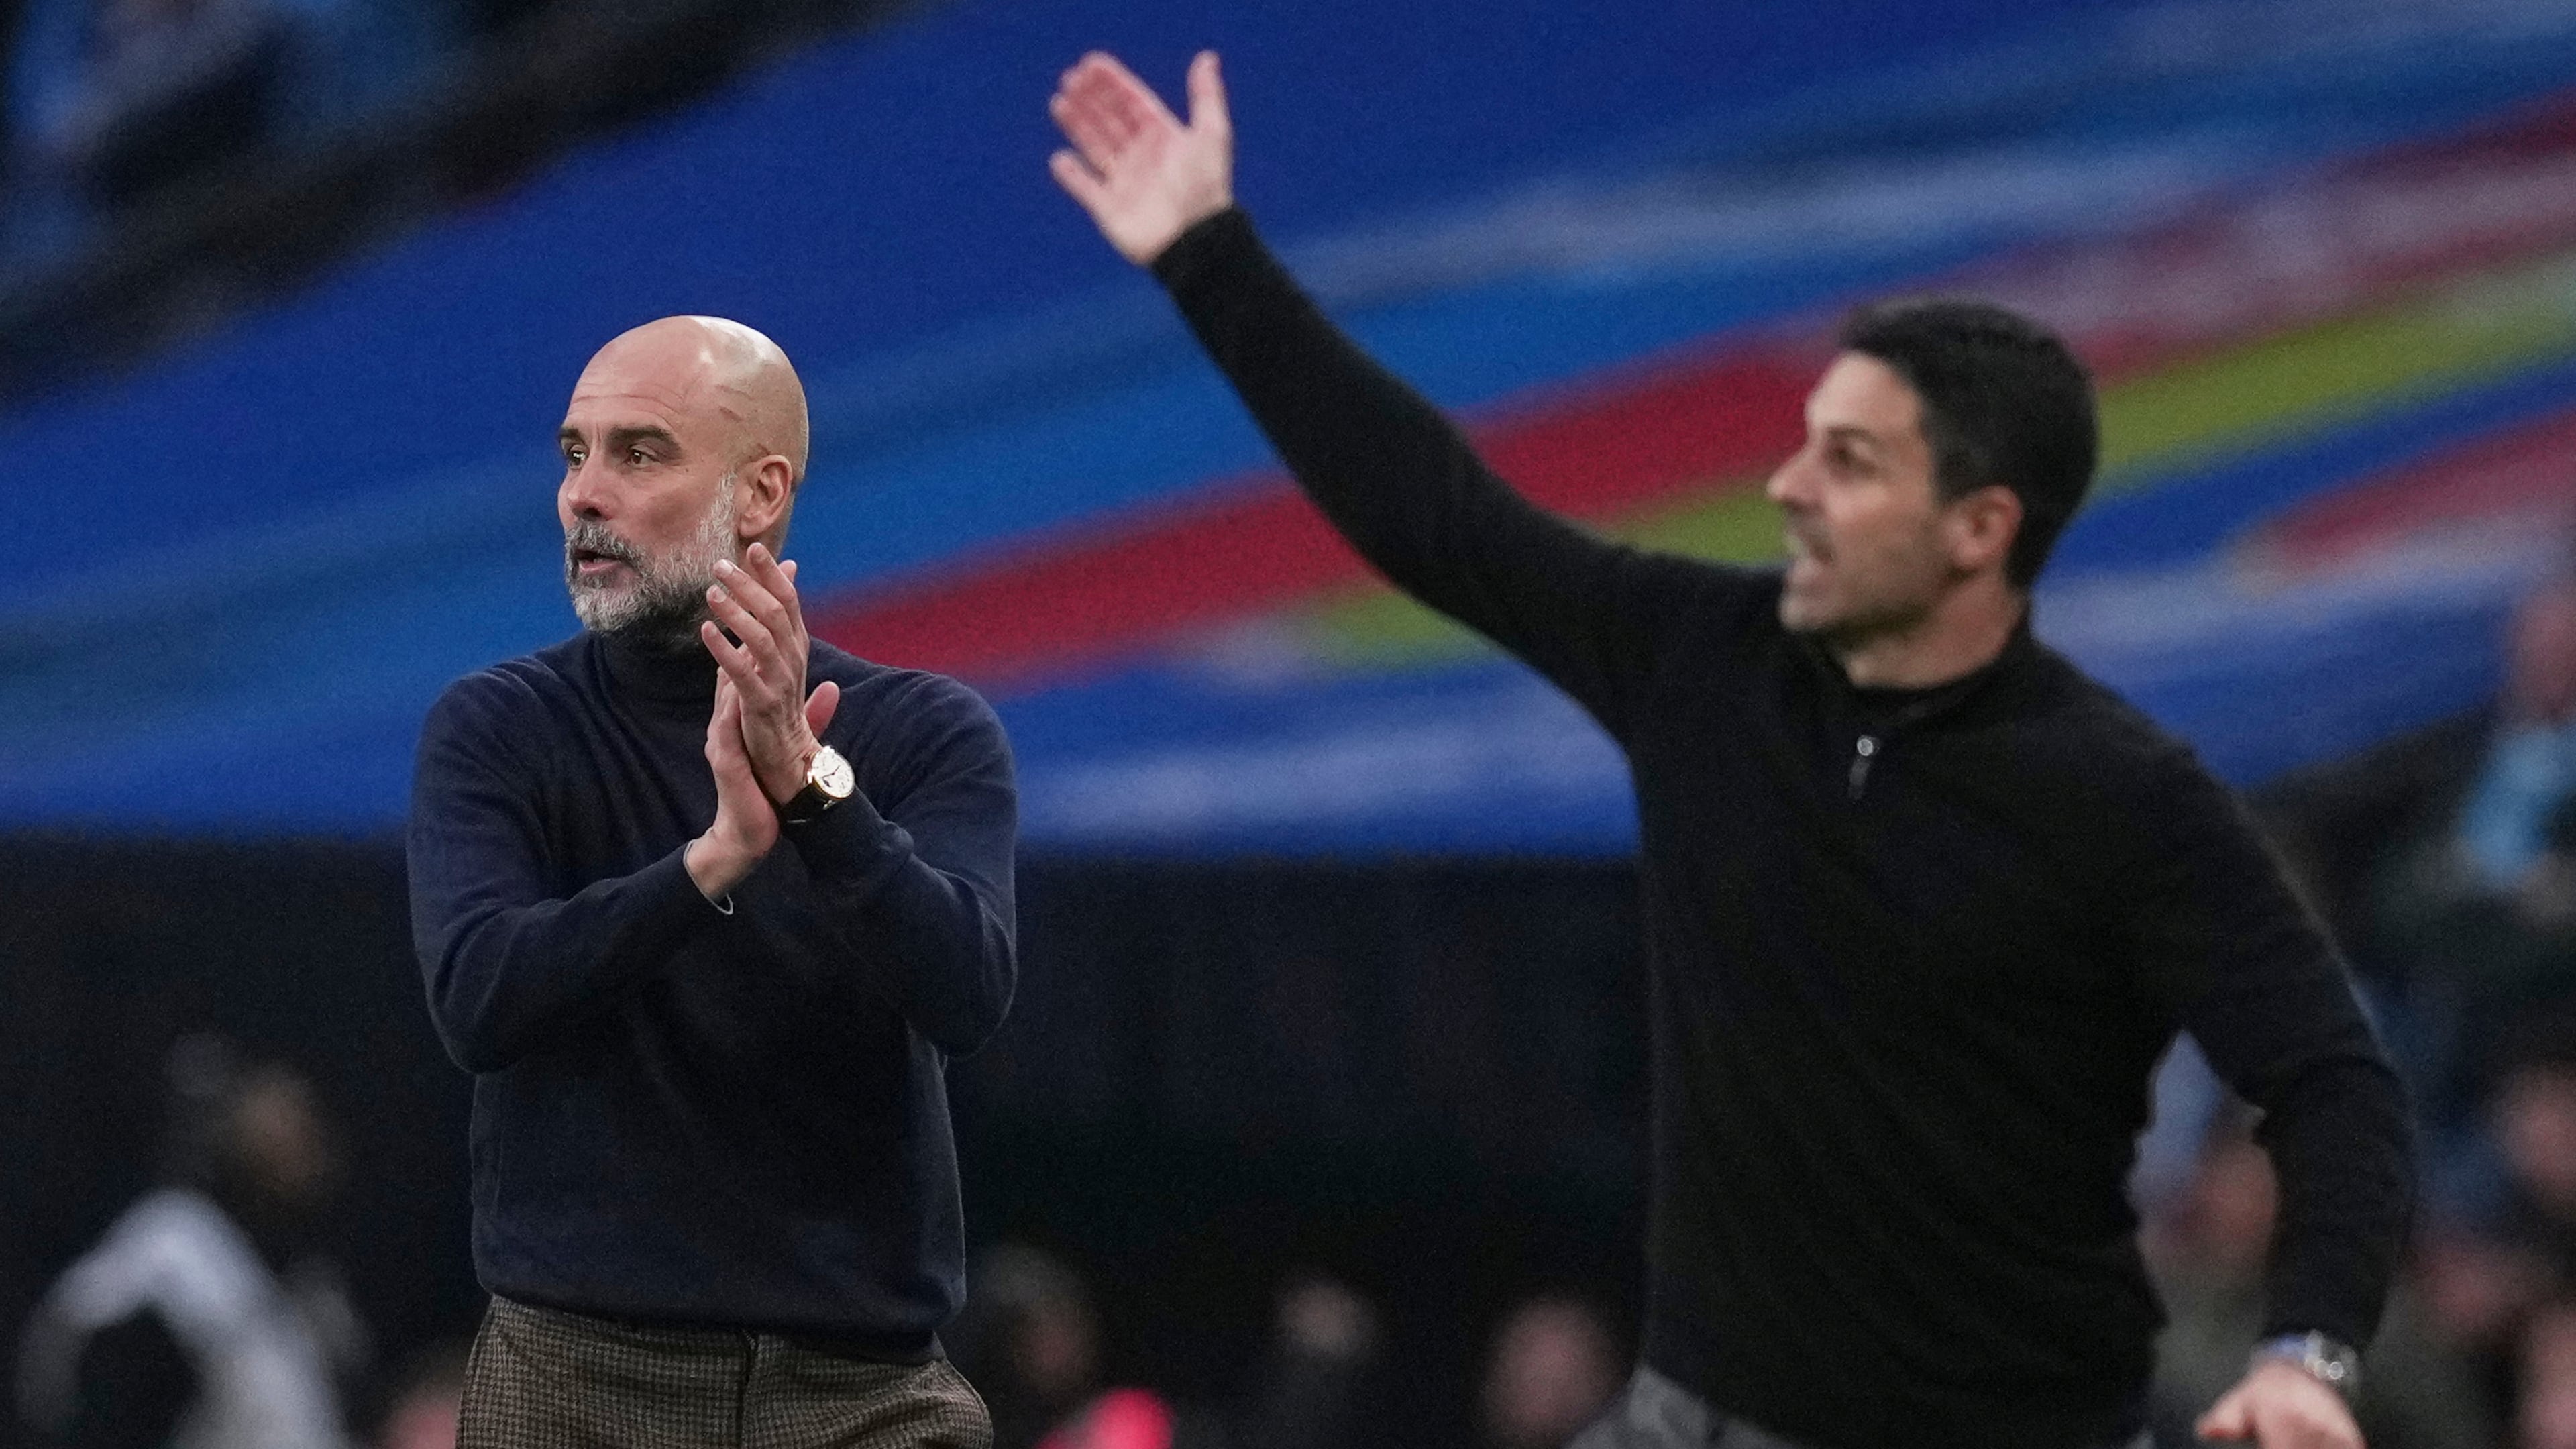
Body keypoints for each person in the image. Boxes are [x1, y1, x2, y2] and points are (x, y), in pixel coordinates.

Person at [1046, 52, 2412, 1449]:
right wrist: (1209, 254)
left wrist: (2307, 1351)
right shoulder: (1705, 662)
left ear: (1980, 528)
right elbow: (1436, 514)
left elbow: (2332, 1079)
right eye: (1808, 444)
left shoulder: (2127, 797)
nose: (1785, 488)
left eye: (1851, 463)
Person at [405, 315, 1017, 1446]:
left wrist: (811, 793)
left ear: (761, 492)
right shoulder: (497, 729)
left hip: (864, 1394)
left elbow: (966, 992)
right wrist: (713, 862)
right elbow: (480, 1001)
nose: (584, 496)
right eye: (573, 453)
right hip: (577, 1385)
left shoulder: (923, 732)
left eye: (639, 454)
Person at [17, 1037, 364, 1449]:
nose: (301, 1146)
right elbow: (74, 1369)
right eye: (282, 1127)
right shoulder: (174, 1242)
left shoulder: (305, 1276)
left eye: (307, 1129)